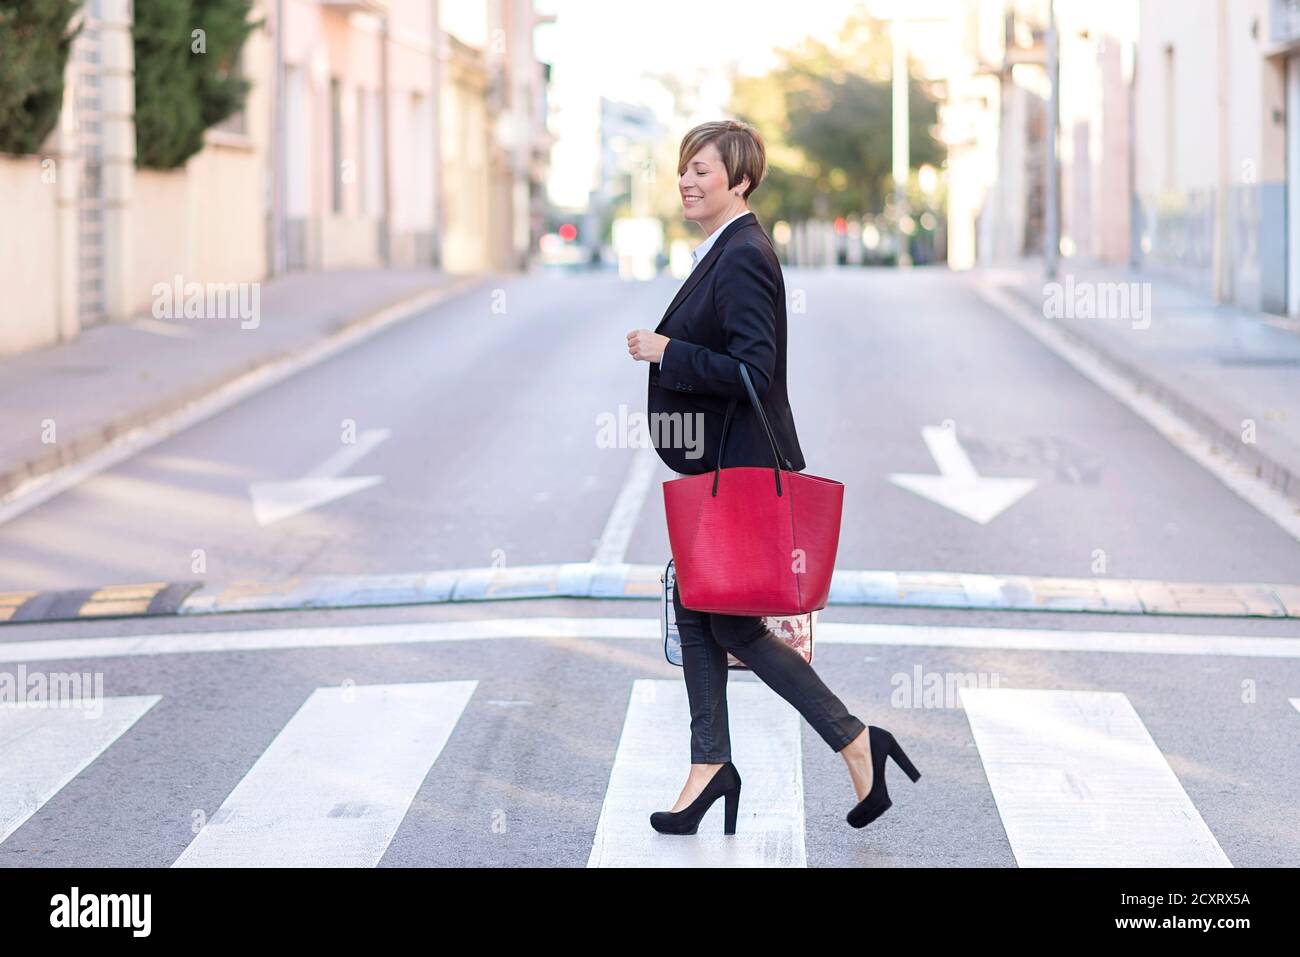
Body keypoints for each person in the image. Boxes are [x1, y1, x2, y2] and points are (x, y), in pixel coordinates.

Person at [626, 120, 921, 835]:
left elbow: (755, 372)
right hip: (722, 464)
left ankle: (846, 740)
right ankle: (716, 766)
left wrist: (669, 351)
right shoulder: (722, 251)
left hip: (742, 466)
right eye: (684, 169)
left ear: (741, 179)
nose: (688, 181)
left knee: (729, 618)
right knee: (703, 607)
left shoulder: (744, 255)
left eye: (703, 170)